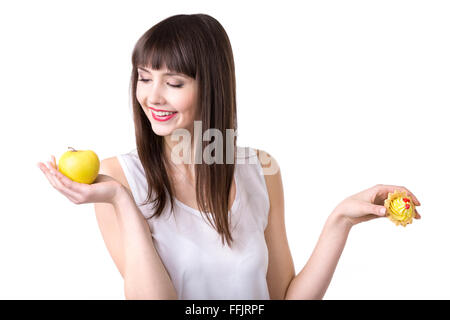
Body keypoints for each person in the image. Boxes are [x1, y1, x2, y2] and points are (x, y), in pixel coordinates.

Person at [37, 13, 422, 300]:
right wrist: (120, 200)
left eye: (173, 82)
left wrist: (340, 221)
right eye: (143, 77)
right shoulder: (117, 177)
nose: (152, 96)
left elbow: (281, 298)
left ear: (212, 85)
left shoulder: (260, 170)